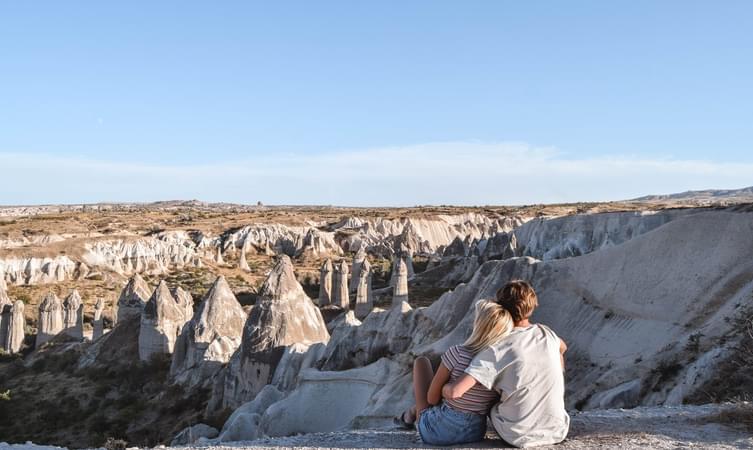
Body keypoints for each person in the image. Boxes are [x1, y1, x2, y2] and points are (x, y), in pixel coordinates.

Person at [445, 280, 570, 448]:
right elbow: (563, 347)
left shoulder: (498, 347)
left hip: (517, 435)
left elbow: (455, 392)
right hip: (558, 429)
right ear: (534, 305)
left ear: (500, 308)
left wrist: (443, 388)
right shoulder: (546, 332)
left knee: (491, 396)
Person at [396, 300, 514, 446]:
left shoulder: (457, 353)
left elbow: (431, 399)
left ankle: (410, 416)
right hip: (474, 432)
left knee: (421, 362)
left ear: (478, 326)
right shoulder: (499, 363)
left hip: (437, 431)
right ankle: (411, 412)